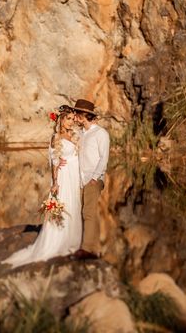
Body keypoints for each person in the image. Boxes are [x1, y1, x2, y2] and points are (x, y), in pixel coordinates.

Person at [2, 106, 82, 268]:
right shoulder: (56, 137)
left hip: (74, 177)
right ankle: (57, 241)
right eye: (68, 119)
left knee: (73, 206)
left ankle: (71, 239)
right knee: (63, 205)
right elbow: (54, 161)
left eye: (73, 119)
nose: (72, 122)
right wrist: (55, 182)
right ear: (60, 120)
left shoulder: (73, 135)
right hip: (64, 176)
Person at [70, 99, 109, 260]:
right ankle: (95, 248)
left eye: (78, 113)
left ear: (85, 115)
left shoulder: (101, 133)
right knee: (85, 213)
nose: (75, 116)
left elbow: (104, 158)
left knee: (88, 212)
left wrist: (94, 178)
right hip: (80, 178)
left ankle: (86, 249)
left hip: (94, 179)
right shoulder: (80, 133)